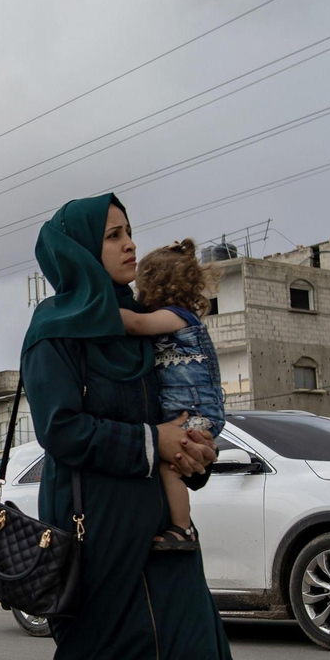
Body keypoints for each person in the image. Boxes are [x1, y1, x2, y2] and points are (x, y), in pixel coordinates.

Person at [22, 193, 313, 660]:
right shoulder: (55, 331)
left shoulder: (147, 330)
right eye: (112, 234)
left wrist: (194, 451)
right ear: (77, 249)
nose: (127, 245)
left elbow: (178, 409)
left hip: (167, 532)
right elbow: (61, 430)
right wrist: (150, 441)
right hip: (95, 533)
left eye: (130, 232)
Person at [118, 237, 224, 552]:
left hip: (196, 412)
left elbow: (135, 324)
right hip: (187, 410)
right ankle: (180, 525)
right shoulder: (174, 320)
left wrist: (96, 305)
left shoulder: (177, 318)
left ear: (156, 287)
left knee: (170, 466)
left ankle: (182, 527)